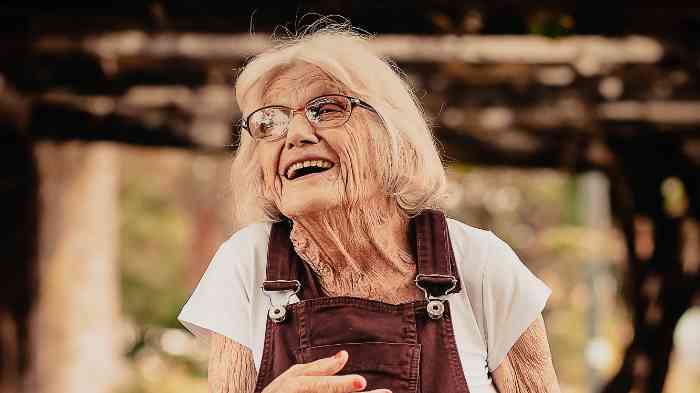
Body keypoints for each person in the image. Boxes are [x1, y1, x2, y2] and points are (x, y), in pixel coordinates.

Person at [178, 21, 560, 393]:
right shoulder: (247, 264)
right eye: (269, 123)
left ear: (391, 133)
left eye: (325, 109)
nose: (295, 136)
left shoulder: (480, 263)